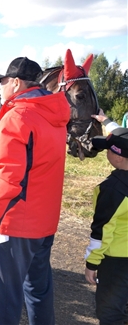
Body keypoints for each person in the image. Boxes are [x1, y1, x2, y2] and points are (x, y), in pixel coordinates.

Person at [0, 57, 70, 325]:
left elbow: (6, 181)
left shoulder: (17, 118)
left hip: (14, 225)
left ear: (15, 83)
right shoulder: (56, 117)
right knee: (38, 293)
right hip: (44, 224)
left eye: (1, 82)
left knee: (2, 300)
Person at [84, 127, 128, 324]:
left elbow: (101, 232)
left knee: (110, 313)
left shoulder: (111, 189)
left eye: (108, 149)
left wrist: (92, 263)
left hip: (117, 260)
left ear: (118, 157)